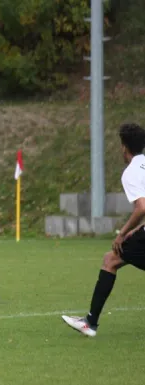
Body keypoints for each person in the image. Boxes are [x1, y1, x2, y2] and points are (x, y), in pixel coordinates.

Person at [62, 123, 145, 337]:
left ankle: (90, 323)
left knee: (111, 260)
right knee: (112, 259)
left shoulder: (132, 172)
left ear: (124, 147)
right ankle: (90, 322)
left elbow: (142, 206)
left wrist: (123, 232)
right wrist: (134, 232)